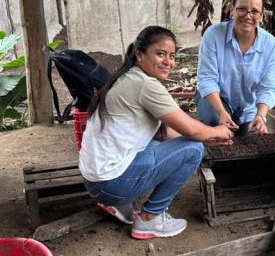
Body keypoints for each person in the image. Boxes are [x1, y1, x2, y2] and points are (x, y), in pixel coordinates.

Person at [79, 26, 233, 240]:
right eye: (160, 54)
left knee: (165, 144)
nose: (168, 62)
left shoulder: (128, 77)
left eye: (171, 56)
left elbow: (166, 132)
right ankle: (149, 219)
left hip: (96, 181)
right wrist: (217, 131)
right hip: (109, 185)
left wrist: (208, 137)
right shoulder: (145, 85)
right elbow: (189, 128)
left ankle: (120, 204)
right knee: (194, 150)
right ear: (140, 54)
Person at [196, 0, 275, 136]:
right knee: (216, 124)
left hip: (248, 107)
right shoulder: (213, 34)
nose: (248, 16)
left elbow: (268, 86)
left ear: (261, 17)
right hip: (216, 99)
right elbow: (207, 79)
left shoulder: (271, 45)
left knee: (251, 140)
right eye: (242, 9)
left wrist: (260, 116)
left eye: (254, 11)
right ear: (232, 11)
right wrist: (222, 112)